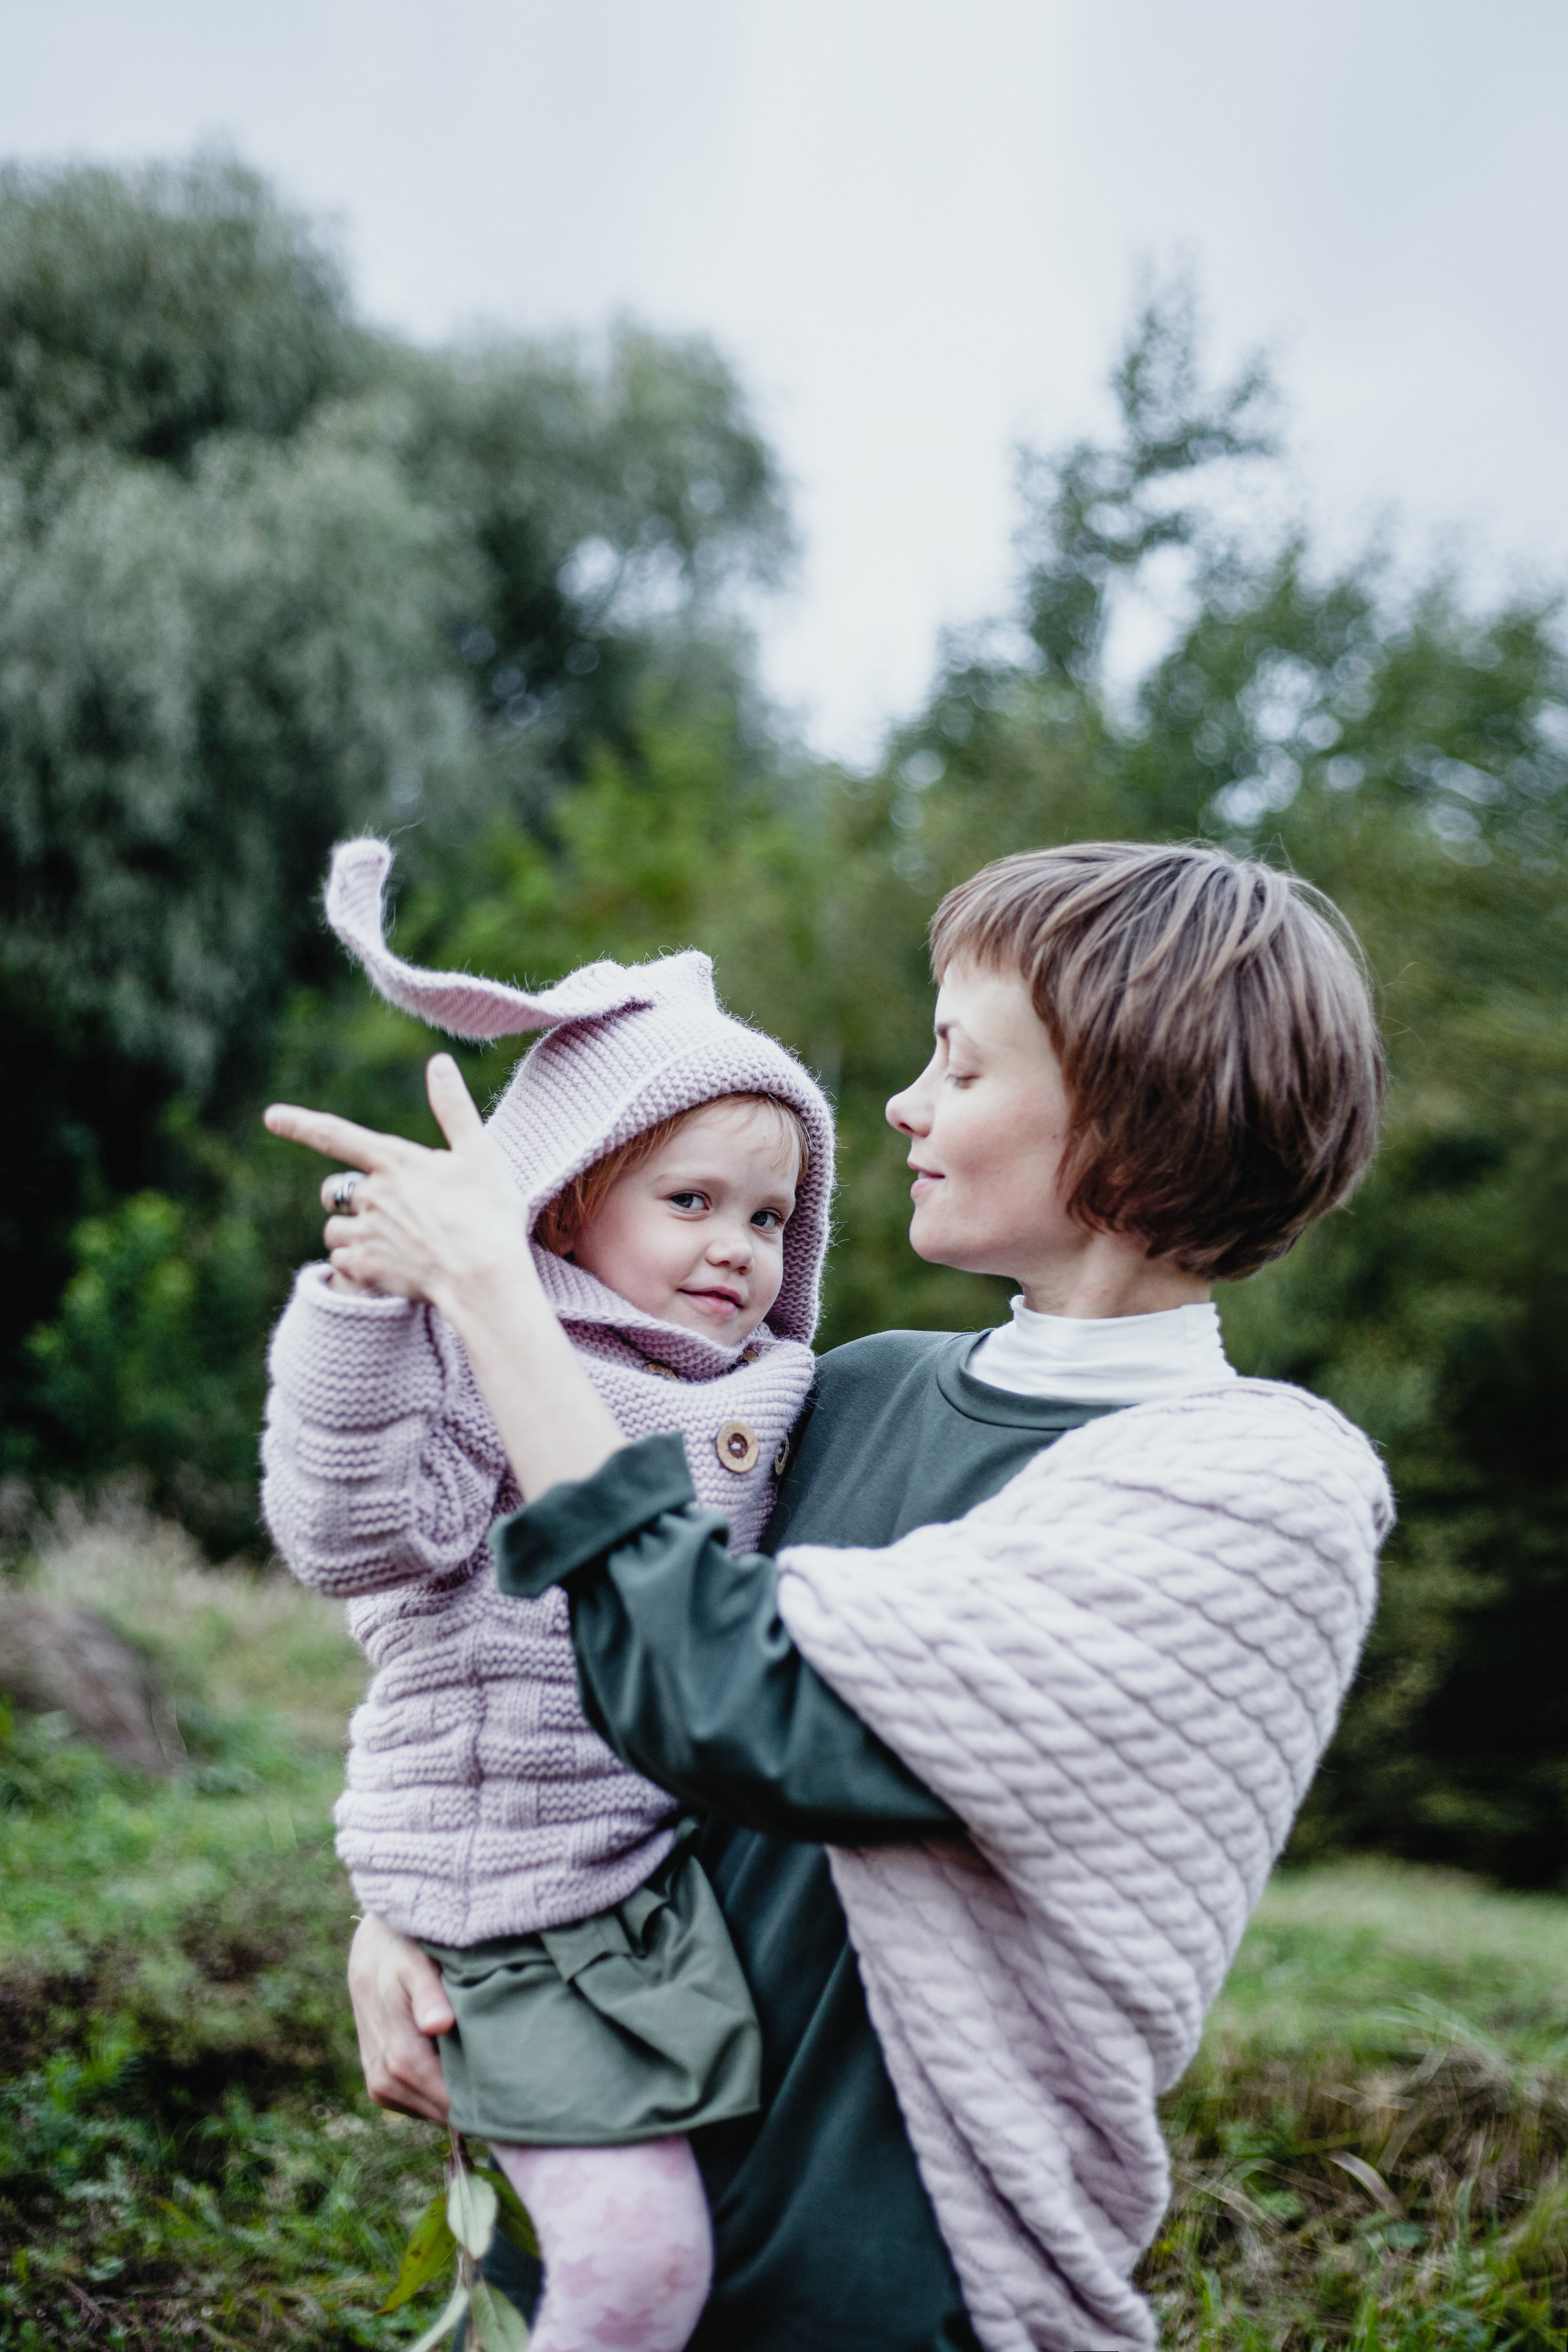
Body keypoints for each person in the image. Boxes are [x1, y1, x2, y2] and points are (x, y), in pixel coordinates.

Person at [267, 841, 1395, 2352]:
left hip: (883, 2286)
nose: (903, 1108)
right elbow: (520, 1636)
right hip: (628, 2193)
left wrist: (493, 1294)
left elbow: (736, 1702)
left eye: (959, 1065)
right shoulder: (847, 1393)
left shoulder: (1255, 1491)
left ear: (1130, 1122)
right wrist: (415, 1907)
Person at [261, 837, 836, 2352]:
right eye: (689, 1200)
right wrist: (370, 1308)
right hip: (504, 1886)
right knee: (639, 2270)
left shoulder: (780, 1390)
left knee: (678, 2233)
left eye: (768, 1221)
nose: (734, 1247)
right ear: (568, 1208)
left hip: (661, 1879)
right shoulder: (481, 1356)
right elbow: (350, 1535)